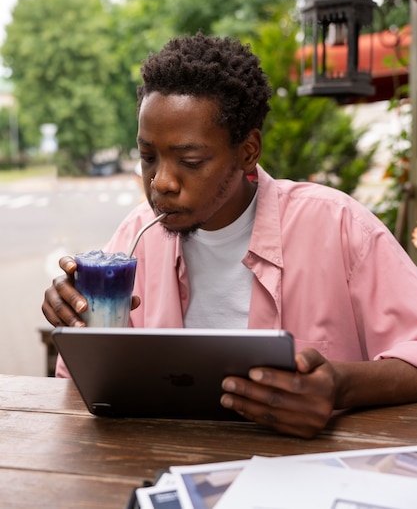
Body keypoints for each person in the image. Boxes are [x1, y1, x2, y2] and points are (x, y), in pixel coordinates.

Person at [43, 32, 417, 439]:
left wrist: (339, 385)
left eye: (190, 160)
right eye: (148, 157)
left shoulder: (339, 226)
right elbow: (85, 389)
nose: (161, 182)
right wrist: (78, 322)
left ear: (248, 151)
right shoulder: (137, 236)